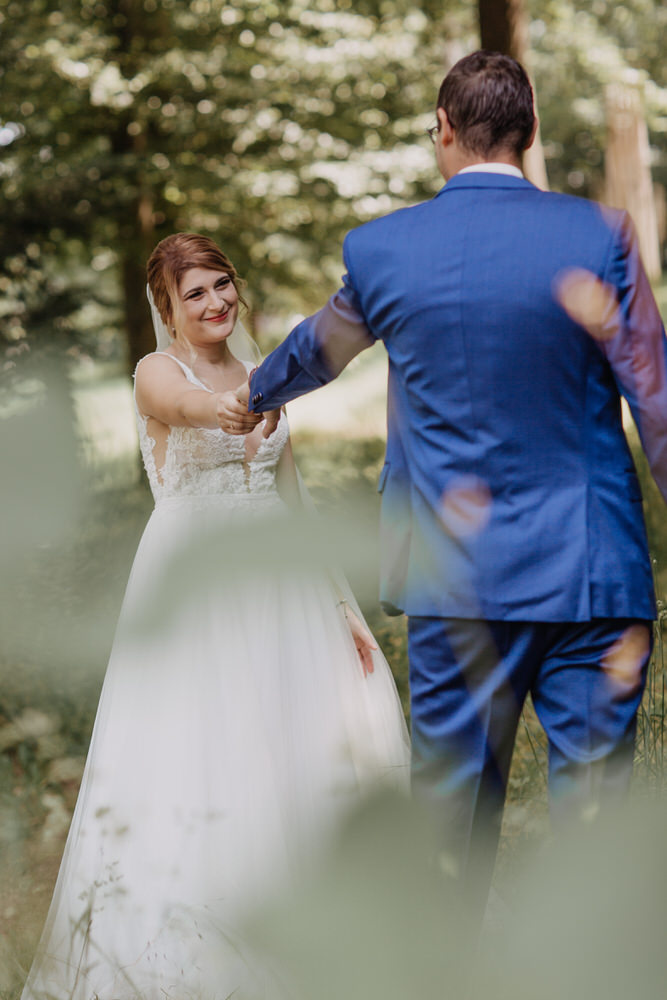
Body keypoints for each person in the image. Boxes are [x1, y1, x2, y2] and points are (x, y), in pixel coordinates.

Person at [236, 51, 667, 916]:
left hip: (451, 580)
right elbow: (654, 402)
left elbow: (316, 352)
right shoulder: (601, 234)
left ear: (442, 131)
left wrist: (248, 395)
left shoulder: (383, 248)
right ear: (529, 130)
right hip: (590, 574)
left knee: (447, 841)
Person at [21, 233, 409, 1000]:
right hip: (195, 582)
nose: (215, 302)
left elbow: (293, 500)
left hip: (283, 581)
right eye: (194, 293)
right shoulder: (155, 374)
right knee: (204, 746)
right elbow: (191, 408)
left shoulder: (266, 370)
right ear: (166, 308)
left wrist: (342, 606)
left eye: (221, 285)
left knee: (299, 738)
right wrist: (233, 409)